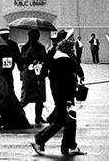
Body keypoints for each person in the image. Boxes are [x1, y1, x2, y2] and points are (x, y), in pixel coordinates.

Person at [31, 29, 85, 157]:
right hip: (64, 95)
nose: (73, 42)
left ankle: (69, 146)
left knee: (71, 120)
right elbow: (62, 80)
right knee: (62, 120)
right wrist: (71, 89)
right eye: (71, 40)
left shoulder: (65, 57)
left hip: (65, 94)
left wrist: (77, 78)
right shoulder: (62, 59)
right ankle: (40, 140)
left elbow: (70, 73)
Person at [20, 29, 47, 125]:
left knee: (39, 98)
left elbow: (44, 58)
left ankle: (38, 117)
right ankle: (17, 113)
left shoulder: (41, 47)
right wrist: (28, 52)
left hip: (39, 74)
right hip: (29, 75)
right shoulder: (25, 47)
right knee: (26, 97)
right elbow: (22, 60)